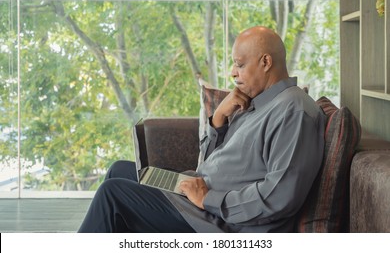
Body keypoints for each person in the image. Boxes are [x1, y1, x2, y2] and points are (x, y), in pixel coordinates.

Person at [78, 26, 325, 233]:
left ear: (266, 62)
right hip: (198, 193)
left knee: (112, 195)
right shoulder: (257, 103)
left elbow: (279, 197)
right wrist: (218, 119)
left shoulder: (294, 111)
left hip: (215, 220)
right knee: (118, 170)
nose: (233, 73)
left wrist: (208, 200)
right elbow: (215, 161)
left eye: (239, 64)